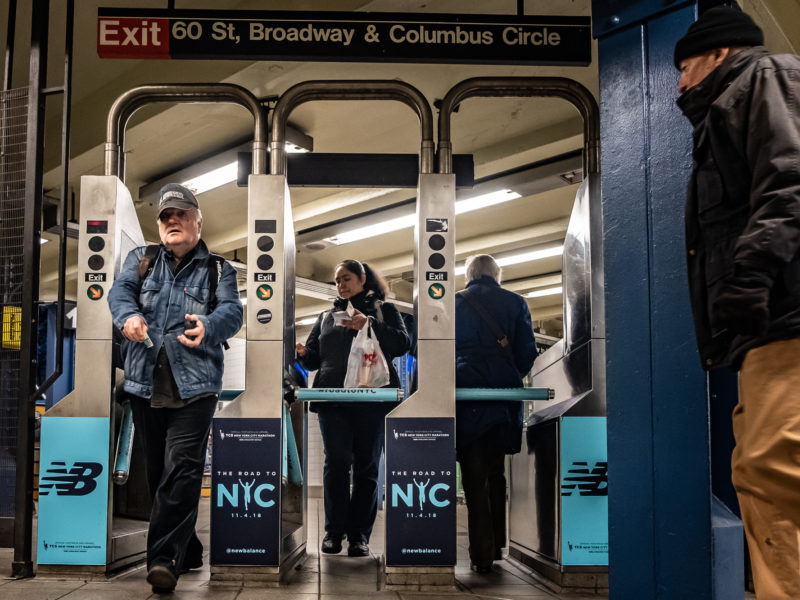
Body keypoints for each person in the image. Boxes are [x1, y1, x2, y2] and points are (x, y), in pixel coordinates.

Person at [674, 6, 800, 599]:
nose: (678, 82)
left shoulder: (761, 80)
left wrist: (751, 274)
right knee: (760, 471)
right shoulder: (731, 106)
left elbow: (790, 179)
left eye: (685, 65)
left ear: (720, 53)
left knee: (773, 473)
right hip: (769, 328)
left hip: (787, 319)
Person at [108, 183, 242, 593]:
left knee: (182, 470)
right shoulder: (142, 259)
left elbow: (232, 311)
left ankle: (164, 559)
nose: (172, 221)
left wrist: (211, 327)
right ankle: (190, 547)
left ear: (198, 221)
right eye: (166, 216)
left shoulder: (219, 270)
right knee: (158, 475)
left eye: (181, 215)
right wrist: (127, 316)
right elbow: (120, 292)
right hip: (145, 383)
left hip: (196, 387)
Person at [295, 260, 410, 557]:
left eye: (346, 279)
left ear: (362, 279)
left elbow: (402, 344)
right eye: (336, 281)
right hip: (333, 399)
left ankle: (359, 535)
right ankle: (334, 532)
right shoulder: (326, 317)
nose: (341, 285)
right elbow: (313, 360)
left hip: (373, 399)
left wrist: (370, 325)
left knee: (367, 468)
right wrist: (303, 353)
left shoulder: (385, 310)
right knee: (336, 463)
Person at [454, 254, 537, 573]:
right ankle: (498, 545)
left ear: (468, 276)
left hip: (465, 393)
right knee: (497, 471)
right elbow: (527, 354)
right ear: (496, 276)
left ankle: (481, 553)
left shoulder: (454, 303)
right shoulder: (515, 303)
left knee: (474, 477)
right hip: (503, 395)